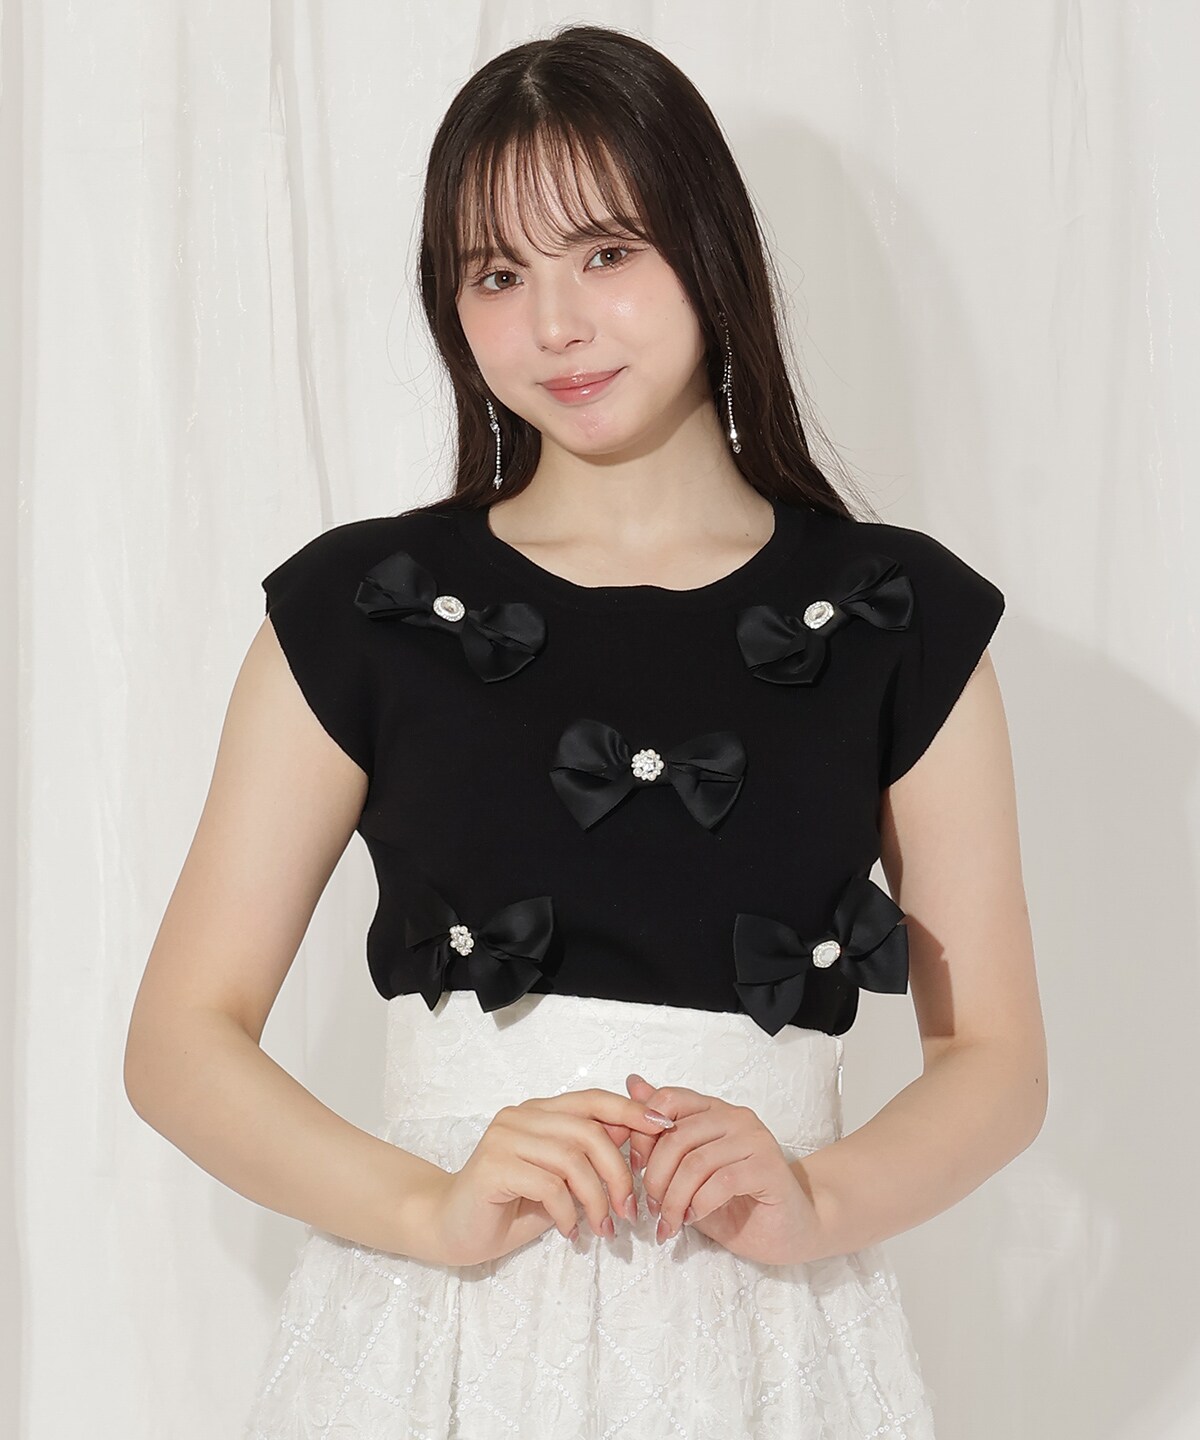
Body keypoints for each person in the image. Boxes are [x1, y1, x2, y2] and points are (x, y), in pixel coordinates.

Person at [124, 22, 1046, 1439]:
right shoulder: (363, 610)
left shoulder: (896, 617)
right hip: (438, 1341)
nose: (554, 325)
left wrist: (820, 1200)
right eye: (497, 275)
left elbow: (994, 1058)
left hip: (766, 1348)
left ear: (709, 254)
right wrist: (428, 1209)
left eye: (606, 254)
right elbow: (180, 1039)